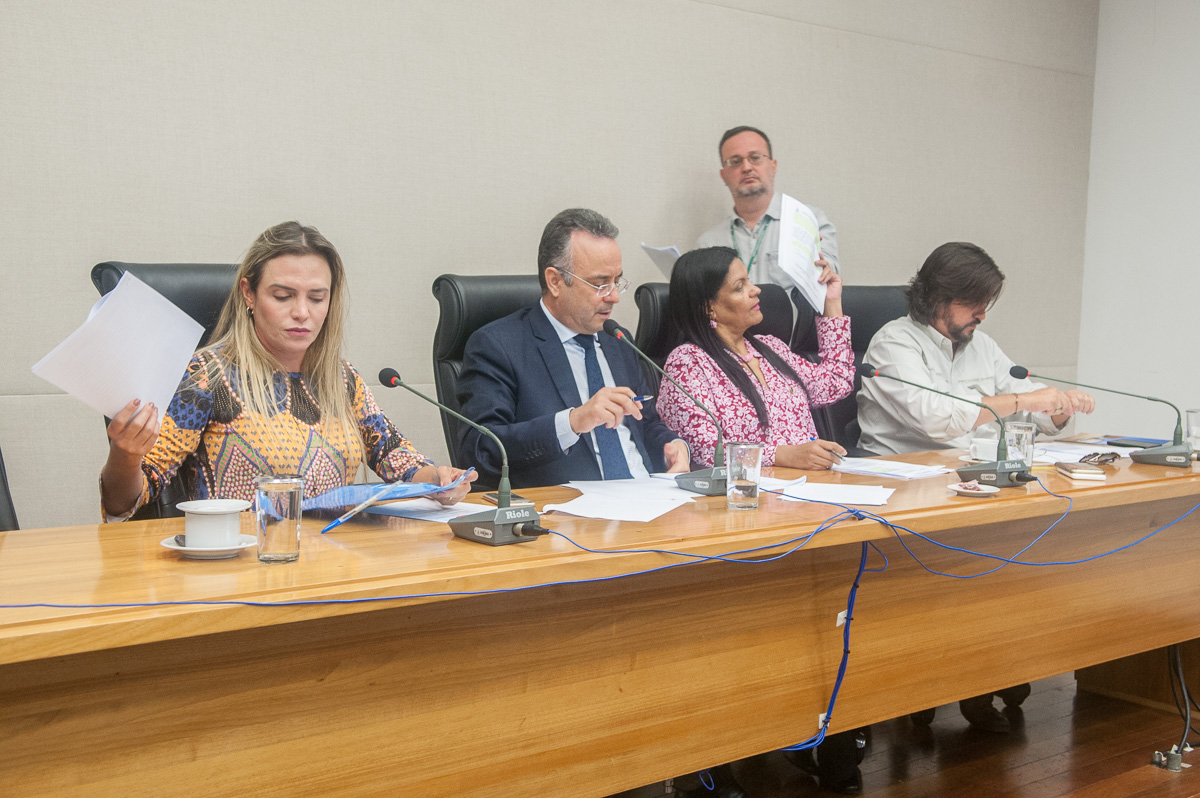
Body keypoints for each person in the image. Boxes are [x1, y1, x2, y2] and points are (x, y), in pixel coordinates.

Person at [856, 241, 1095, 733]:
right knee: (956, 578)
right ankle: (935, 679)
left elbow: (1030, 405)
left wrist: (1059, 406)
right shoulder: (893, 344)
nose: (982, 315)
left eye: (987, 303)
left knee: (1010, 566)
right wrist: (1020, 401)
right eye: (973, 303)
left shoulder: (981, 346)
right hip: (901, 486)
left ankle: (983, 671)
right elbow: (938, 418)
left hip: (971, 481)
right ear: (937, 297)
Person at [100, 221, 475, 520]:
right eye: (283, 296)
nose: (302, 312)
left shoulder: (342, 379)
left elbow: (399, 460)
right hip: (244, 565)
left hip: (333, 563)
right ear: (249, 293)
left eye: (317, 297)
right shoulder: (207, 376)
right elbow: (124, 502)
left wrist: (439, 480)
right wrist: (125, 456)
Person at [456, 208, 689, 489]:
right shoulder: (499, 345)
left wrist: (670, 445)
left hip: (648, 497)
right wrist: (573, 421)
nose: (614, 297)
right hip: (566, 507)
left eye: (616, 282)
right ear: (555, 281)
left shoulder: (618, 340)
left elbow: (645, 423)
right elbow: (480, 450)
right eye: (600, 284)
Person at [657, 246, 853, 471]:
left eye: (749, 280)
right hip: (750, 489)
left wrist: (831, 302)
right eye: (739, 287)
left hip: (814, 482)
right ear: (709, 308)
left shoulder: (771, 347)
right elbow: (705, 450)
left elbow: (837, 381)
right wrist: (782, 455)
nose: (756, 290)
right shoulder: (687, 363)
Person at [697, 126, 840, 305]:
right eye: (735, 161)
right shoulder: (708, 244)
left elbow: (830, 279)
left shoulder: (809, 222)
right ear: (723, 175)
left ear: (773, 166)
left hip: (796, 324)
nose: (746, 167)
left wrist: (819, 267)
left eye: (755, 157)